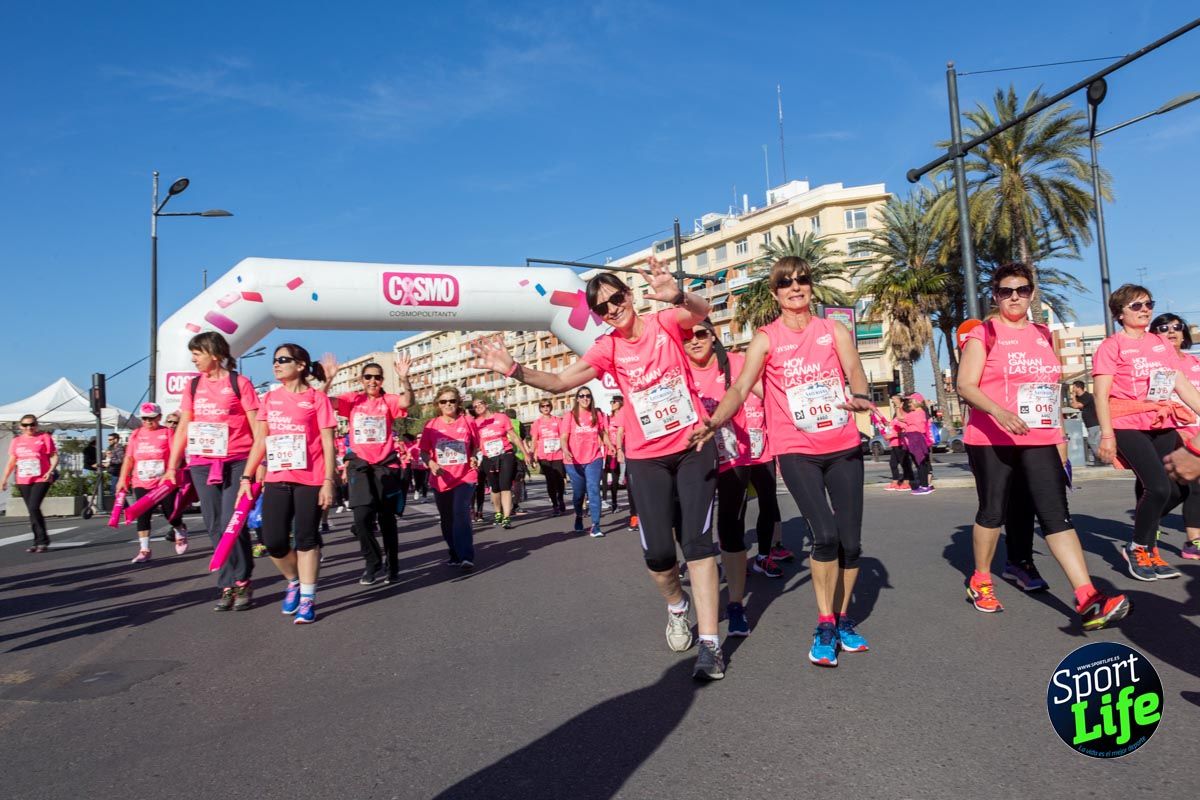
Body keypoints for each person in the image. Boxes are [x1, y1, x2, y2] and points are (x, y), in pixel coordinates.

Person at [473, 257, 727, 681]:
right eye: (602, 307)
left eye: (615, 298)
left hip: (692, 447)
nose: (611, 309)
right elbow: (559, 382)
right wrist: (513, 369)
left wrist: (678, 292)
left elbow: (701, 313)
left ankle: (710, 644)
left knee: (699, 546)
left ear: (628, 295)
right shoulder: (608, 347)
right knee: (659, 556)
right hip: (646, 457)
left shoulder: (666, 322)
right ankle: (677, 606)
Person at [692, 255, 874, 669]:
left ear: (811, 286)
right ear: (775, 293)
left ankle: (844, 619)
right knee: (824, 535)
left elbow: (856, 372)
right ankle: (824, 624)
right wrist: (716, 418)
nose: (796, 287)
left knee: (852, 541)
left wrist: (861, 395)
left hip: (843, 443)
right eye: (786, 283)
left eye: (802, 280)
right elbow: (740, 387)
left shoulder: (834, 330)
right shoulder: (766, 339)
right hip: (795, 449)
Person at [957, 263, 1130, 629]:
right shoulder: (983, 334)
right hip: (992, 436)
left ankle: (1087, 595)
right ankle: (981, 579)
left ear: (1032, 294)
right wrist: (999, 412)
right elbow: (965, 385)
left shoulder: (1041, 334)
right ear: (996, 296)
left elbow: (1050, 393)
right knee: (993, 512)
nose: (1015, 297)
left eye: (1021, 290)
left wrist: (1061, 442)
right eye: (1006, 291)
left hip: (1039, 437)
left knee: (1055, 514)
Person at [1094, 284, 1200, 581]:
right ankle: (1139, 547)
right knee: (1158, 487)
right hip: (1126, 422)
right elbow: (1101, 395)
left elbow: (1182, 385)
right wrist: (1106, 435)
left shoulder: (1160, 343)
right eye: (1136, 306)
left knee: (1180, 485)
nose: (1145, 310)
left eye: (1147, 304)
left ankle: (1147, 545)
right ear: (1119, 313)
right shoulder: (1111, 346)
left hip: (1161, 420)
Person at [238, 344, 336, 624]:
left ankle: (307, 598)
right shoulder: (269, 399)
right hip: (277, 478)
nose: (276, 365)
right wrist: (247, 475)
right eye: (274, 361)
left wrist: (328, 480)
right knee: (274, 541)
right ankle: (293, 580)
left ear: (301, 365)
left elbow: (328, 444)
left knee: (306, 539)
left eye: (283, 360)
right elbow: (260, 441)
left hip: (311, 479)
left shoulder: (317, 399)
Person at [164, 331, 262, 611]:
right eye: (192, 353)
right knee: (213, 523)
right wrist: (172, 465)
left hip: (237, 459)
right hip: (202, 462)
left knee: (232, 521)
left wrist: (261, 463)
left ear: (215, 354)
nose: (193, 359)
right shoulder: (193, 386)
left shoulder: (239, 383)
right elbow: (183, 426)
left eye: (198, 353)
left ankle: (242, 580)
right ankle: (227, 584)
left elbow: (257, 426)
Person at [684, 320, 752, 637]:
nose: (695, 340)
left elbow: (766, 389)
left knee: (731, 532)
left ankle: (736, 604)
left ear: (713, 336)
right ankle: (692, 605)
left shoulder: (735, 364)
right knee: (693, 537)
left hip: (732, 457)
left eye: (701, 334)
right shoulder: (677, 367)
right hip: (692, 461)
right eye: (687, 336)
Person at [322, 355, 413, 585]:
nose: (373, 381)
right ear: (361, 380)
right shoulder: (352, 400)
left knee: (386, 519)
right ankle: (372, 561)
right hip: (360, 466)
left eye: (377, 377)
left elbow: (407, 402)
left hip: (386, 466)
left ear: (382, 380)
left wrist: (404, 379)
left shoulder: (389, 401)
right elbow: (321, 400)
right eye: (368, 377)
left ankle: (393, 565)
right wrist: (328, 379)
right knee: (361, 518)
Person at [1149, 312, 1200, 560]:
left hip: (1197, 432)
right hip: (1170, 431)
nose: (1171, 331)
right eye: (1163, 327)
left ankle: (1193, 540)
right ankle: (1148, 522)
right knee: (1178, 489)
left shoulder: (1194, 362)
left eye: (1177, 327)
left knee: (1193, 488)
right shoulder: (1154, 363)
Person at [116, 402, 190, 562]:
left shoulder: (168, 433)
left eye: (152, 418)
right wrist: (123, 479)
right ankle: (144, 549)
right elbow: (129, 458)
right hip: (141, 481)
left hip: (164, 481)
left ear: (159, 417)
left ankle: (180, 530)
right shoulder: (135, 434)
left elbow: (177, 455)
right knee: (143, 514)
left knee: (170, 513)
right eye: (144, 418)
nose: (148, 422)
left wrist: (172, 470)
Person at [419, 387, 480, 569]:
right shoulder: (431, 425)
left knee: (460, 512)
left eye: (452, 401)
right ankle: (454, 551)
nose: (448, 405)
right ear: (437, 404)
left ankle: (466, 556)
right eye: (443, 402)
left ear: (458, 403)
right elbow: (423, 452)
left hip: (465, 476)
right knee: (447, 518)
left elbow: (476, 446)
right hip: (442, 479)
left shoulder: (468, 421)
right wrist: (431, 464)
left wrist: (475, 456)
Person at [744, 385, 788, 577]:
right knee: (733, 511)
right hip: (735, 455)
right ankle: (732, 560)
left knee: (768, 505)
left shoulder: (761, 382)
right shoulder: (726, 378)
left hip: (763, 455)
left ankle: (763, 557)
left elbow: (774, 417)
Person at [2, 415, 58, 553]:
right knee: (31, 511)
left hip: (41, 478)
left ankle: (42, 541)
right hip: (23, 479)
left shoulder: (44, 437)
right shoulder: (16, 441)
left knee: (34, 507)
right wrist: (4, 479)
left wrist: (50, 470)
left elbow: (54, 456)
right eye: (25, 425)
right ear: (20, 426)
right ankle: (37, 541)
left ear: (36, 425)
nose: (29, 428)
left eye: (32, 424)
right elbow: (12, 461)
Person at [471, 398, 529, 529]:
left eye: (480, 403)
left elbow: (513, 436)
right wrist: (473, 456)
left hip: (505, 454)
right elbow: (475, 444)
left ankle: (507, 517)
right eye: (475, 406)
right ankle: (498, 513)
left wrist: (525, 453)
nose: (478, 407)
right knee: (495, 488)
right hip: (488, 457)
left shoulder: (501, 417)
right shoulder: (476, 423)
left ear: (486, 405)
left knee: (505, 486)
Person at [563, 387, 609, 537]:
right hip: (573, 460)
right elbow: (564, 437)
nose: (585, 398)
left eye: (588, 396)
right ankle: (578, 515)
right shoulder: (569, 416)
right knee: (579, 493)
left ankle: (595, 526)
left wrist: (612, 445)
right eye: (581, 396)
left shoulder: (597, 414)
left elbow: (602, 432)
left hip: (594, 457)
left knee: (594, 489)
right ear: (577, 398)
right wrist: (565, 449)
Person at [530, 399, 567, 515]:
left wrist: (566, 450)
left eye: (547, 405)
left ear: (551, 407)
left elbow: (563, 436)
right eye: (543, 406)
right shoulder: (537, 423)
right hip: (543, 455)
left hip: (558, 454)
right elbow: (534, 439)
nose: (545, 408)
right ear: (540, 408)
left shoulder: (558, 420)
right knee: (550, 480)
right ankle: (555, 504)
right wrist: (532, 453)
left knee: (560, 479)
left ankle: (560, 498)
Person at [896, 393, 933, 495]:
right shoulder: (920, 412)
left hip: (915, 438)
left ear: (917, 402)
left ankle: (924, 486)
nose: (909, 404)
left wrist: (898, 406)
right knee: (922, 463)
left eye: (911, 402)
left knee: (920, 463)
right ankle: (925, 485)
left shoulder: (915, 413)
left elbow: (900, 417)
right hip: (918, 438)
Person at [880, 395, 912, 491]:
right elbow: (894, 426)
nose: (893, 401)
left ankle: (907, 481)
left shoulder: (904, 413)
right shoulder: (896, 414)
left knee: (904, 463)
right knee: (893, 464)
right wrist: (887, 426)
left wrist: (892, 435)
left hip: (901, 443)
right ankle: (895, 481)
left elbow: (905, 429)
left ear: (901, 402)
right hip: (894, 443)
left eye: (895, 400)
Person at [1068, 380, 1100, 466]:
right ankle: (1099, 460)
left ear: (1078, 387)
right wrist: (1074, 398)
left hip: (1094, 422)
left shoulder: (1087, 396)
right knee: (1094, 442)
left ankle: (1101, 459)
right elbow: (1072, 404)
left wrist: (1073, 397)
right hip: (1088, 423)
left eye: (1074, 387)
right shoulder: (1079, 397)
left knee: (1093, 441)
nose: (1072, 389)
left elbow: (1076, 405)